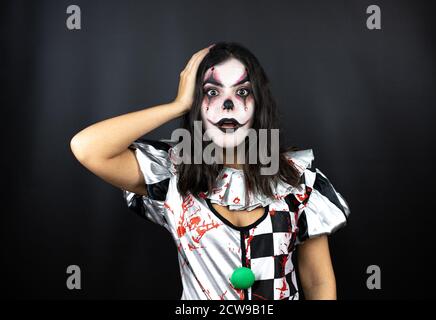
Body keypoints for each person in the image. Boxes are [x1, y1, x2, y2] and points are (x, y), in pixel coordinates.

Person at [70, 42, 351, 300]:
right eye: (212, 92)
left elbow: (318, 281)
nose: (227, 106)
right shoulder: (172, 174)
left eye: (242, 92)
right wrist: (176, 105)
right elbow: (87, 148)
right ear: (197, 103)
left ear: (259, 102)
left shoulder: (297, 181)